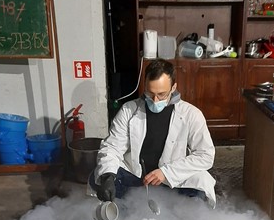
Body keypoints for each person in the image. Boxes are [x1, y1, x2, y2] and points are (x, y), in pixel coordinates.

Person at [92, 58, 216, 207]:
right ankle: (126, 209)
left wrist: (166, 173)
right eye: (150, 93)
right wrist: (108, 177)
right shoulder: (129, 110)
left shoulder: (191, 114)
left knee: (202, 182)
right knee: (100, 177)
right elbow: (112, 147)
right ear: (145, 85)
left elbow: (205, 155)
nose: (155, 100)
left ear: (173, 87)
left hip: (173, 180)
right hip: (136, 178)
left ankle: (181, 214)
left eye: (161, 94)